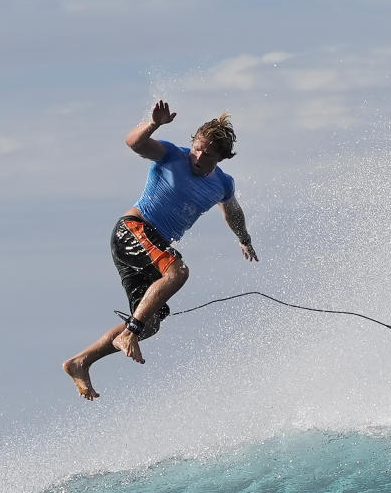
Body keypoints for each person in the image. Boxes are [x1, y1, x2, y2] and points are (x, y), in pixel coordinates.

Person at [63, 100, 258, 400]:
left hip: (154, 245)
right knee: (177, 272)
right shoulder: (171, 155)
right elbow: (134, 142)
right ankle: (128, 334)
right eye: (197, 147)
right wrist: (153, 124)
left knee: (150, 323)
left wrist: (243, 238)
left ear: (221, 157)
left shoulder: (223, 184)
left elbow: (232, 211)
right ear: (192, 142)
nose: (198, 156)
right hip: (134, 229)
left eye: (207, 154)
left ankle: (80, 362)